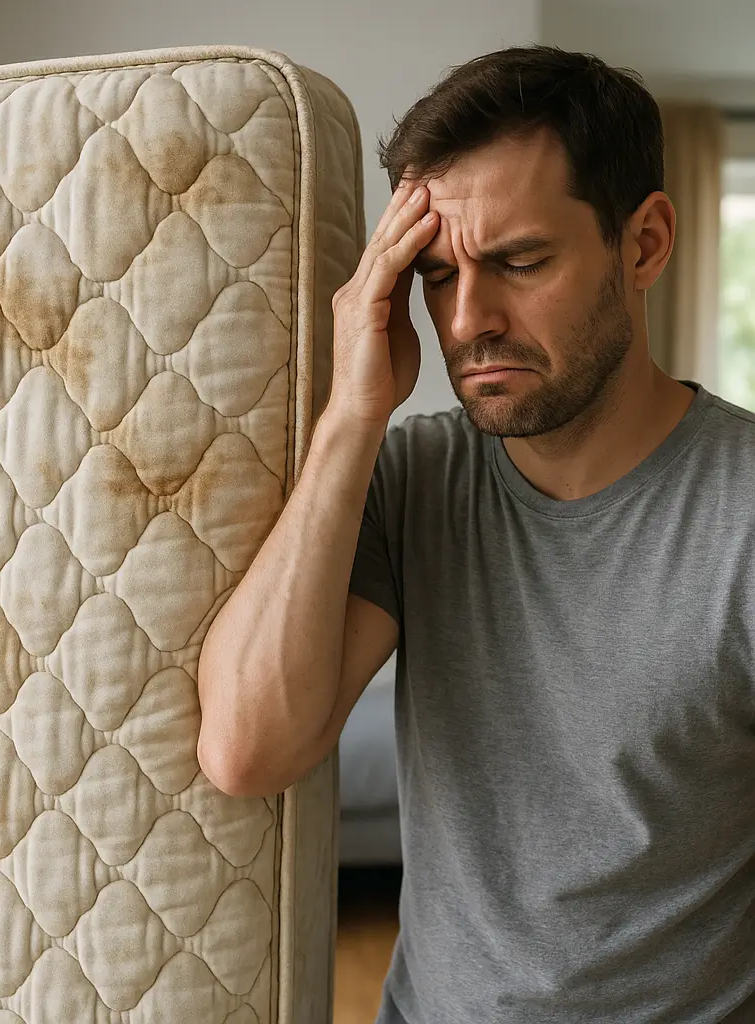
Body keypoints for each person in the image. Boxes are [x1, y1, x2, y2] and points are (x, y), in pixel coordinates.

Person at [196, 43, 755, 1024]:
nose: (466, 320)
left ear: (645, 242)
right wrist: (350, 415)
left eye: (517, 261)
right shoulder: (415, 478)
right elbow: (248, 749)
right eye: (437, 274)